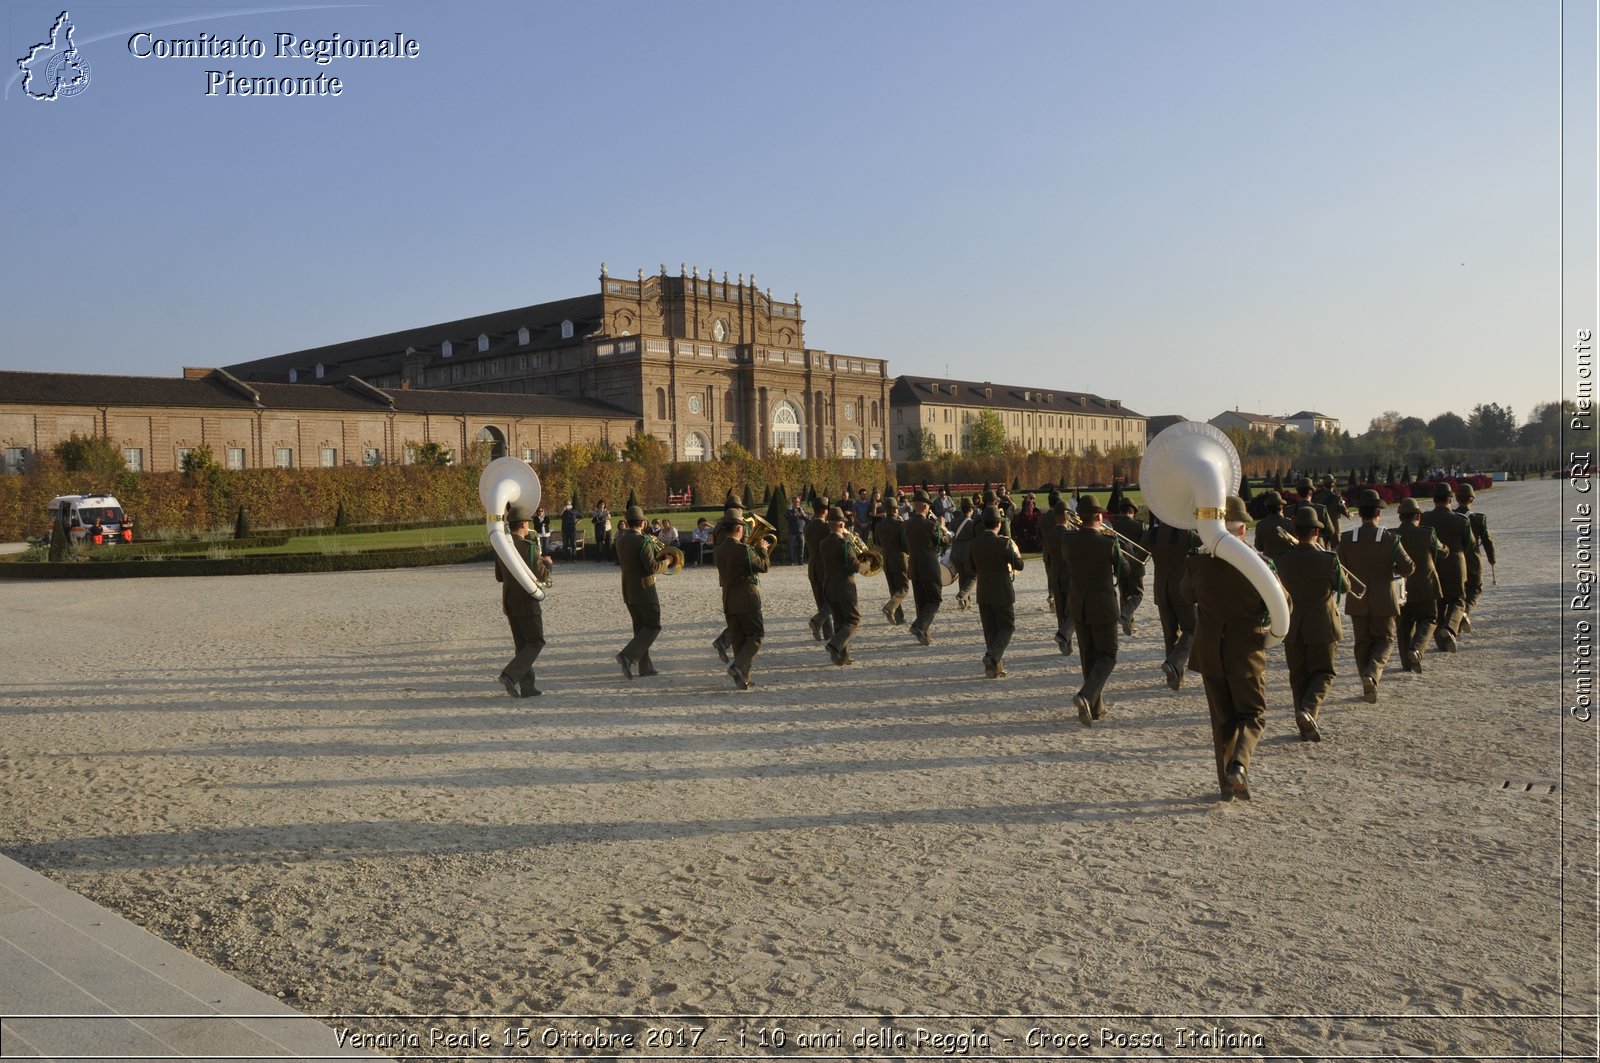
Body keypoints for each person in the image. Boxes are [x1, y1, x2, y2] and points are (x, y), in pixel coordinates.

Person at [1181, 496, 1273, 801]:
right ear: (1243, 529)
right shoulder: (1260, 564)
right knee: (1253, 714)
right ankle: (1240, 767)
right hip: (1246, 650)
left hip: (1209, 652)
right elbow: (1281, 605)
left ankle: (1226, 787)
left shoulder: (1196, 562)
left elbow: (1186, 594)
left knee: (1222, 721)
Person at [1337, 488, 1415, 703]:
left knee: (1362, 643)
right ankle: (1372, 673)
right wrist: (1392, 570)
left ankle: (1366, 680)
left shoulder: (1346, 539)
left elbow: (1338, 571)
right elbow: (1408, 568)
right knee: (1386, 640)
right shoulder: (1390, 539)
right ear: (1378, 513)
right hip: (1384, 599)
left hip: (1357, 599)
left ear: (1360, 514)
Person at [1273, 506, 1343, 740]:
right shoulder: (1328, 558)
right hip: (1322, 625)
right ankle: (1308, 710)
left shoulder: (1282, 560)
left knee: (1298, 676)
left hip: (1292, 626)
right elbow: (1345, 587)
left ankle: (1303, 722)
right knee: (1324, 672)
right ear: (1316, 531)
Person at [1060, 495, 1122, 727]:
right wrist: (1117, 543)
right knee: (1108, 655)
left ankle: (1095, 708)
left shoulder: (1068, 541)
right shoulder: (1108, 542)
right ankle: (1086, 696)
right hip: (1103, 606)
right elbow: (1123, 570)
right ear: (1099, 516)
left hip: (1079, 605)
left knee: (1089, 656)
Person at [494, 504, 554, 698]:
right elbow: (543, 576)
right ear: (522, 525)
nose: (528, 527)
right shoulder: (529, 548)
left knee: (522, 645)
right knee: (536, 641)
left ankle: (527, 687)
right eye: (527, 524)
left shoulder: (502, 547)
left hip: (510, 601)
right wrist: (548, 564)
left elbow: (499, 577)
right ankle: (510, 675)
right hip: (527, 602)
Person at [614, 504, 671, 680]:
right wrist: (667, 561)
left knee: (640, 629)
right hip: (645, 589)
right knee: (653, 625)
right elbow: (653, 567)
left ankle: (645, 667)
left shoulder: (621, 539)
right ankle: (628, 655)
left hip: (628, 589)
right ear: (643, 523)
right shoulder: (643, 541)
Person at [714, 514, 769, 689]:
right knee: (756, 634)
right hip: (746, 596)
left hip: (729, 598)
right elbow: (764, 566)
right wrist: (763, 549)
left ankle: (742, 676)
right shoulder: (744, 550)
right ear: (739, 529)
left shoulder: (719, 550)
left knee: (738, 638)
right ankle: (738, 667)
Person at [1394, 496, 1449, 674]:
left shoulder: (1391, 534)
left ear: (1400, 517)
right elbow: (1442, 552)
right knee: (1429, 619)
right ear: (1418, 517)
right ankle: (1416, 649)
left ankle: (1406, 663)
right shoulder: (1427, 533)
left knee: (1403, 625)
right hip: (1426, 586)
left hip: (1401, 589)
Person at [1418, 483, 1475, 652]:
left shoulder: (1425, 518)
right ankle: (1449, 628)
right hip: (1456, 563)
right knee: (1457, 600)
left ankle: (1442, 644)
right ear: (1450, 499)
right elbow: (1470, 544)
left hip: (1433, 563)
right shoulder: (1461, 520)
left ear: (1434, 499)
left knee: (1439, 603)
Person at [1143, 516, 1198, 690]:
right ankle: (1174, 663)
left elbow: (1137, 558)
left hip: (1161, 590)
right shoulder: (1186, 534)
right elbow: (1208, 547)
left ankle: (1174, 678)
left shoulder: (1151, 534)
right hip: (1182, 591)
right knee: (1194, 628)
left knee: (1170, 635)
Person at [969, 506, 1024, 678]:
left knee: (991, 630)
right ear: (998, 525)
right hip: (1002, 591)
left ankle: (993, 668)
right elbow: (1019, 565)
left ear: (984, 524)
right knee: (1007, 626)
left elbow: (971, 568)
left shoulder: (974, 544)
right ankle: (992, 657)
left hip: (983, 591)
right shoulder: (1004, 543)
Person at [818, 506, 866, 665]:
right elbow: (854, 566)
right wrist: (865, 564)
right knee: (853, 619)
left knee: (839, 621)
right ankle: (834, 645)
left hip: (829, 587)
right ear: (841, 525)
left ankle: (842, 656)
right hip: (845, 587)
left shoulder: (823, 543)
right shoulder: (844, 544)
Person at [904, 489, 950, 646]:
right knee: (935, 599)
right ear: (925, 506)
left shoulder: (907, 524)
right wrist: (941, 526)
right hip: (929, 567)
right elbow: (945, 542)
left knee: (921, 602)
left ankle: (924, 635)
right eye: (929, 506)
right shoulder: (931, 525)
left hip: (914, 567)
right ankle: (918, 626)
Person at [1455, 483, 1495, 631]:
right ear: (1472, 500)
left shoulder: (1452, 517)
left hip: (1454, 560)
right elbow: (1487, 540)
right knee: (1475, 589)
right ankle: (1465, 612)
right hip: (1472, 560)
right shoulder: (1479, 519)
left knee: (1459, 591)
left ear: (1457, 499)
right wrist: (1492, 559)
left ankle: (1456, 616)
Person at [1041, 497, 1074, 657]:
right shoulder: (1071, 535)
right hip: (1070, 574)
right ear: (1067, 516)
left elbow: (1046, 559)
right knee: (1073, 607)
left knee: (1061, 609)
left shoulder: (1048, 535)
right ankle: (1064, 634)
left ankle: (1067, 645)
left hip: (1055, 574)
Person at [1110, 499, 1146, 636]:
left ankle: (1128, 626)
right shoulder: (1139, 526)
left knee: (1124, 595)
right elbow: (1144, 548)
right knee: (1137, 595)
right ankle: (1125, 616)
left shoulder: (1113, 526)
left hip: (1120, 565)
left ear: (1120, 511)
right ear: (1132, 512)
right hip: (1136, 566)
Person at [873, 496, 910, 625]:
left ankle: (899, 617)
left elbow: (877, 544)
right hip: (899, 559)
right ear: (895, 509)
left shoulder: (878, 526)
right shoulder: (900, 524)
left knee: (893, 589)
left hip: (886, 560)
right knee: (904, 588)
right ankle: (889, 608)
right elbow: (905, 545)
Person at [804, 497, 835, 642]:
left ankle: (828, 635)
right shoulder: (826, 529)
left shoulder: (807, 527)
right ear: (824, 510)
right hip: (826, 569)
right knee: (833, 599)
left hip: (813, 569)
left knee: (821, 603)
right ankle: (817, 621)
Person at [1252, 490, 1296, 560]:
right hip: (1287, 562)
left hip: (1270, 563)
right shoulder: (1289, 523)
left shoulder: (1260, 525)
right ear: (1281, 508)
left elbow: (1259, 547)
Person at [1314, 475, 1349, 543]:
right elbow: (1345, 512)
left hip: (1322, 529)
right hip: (1334, 529)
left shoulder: (1317, 498)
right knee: (1335, 549)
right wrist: (1350, 515)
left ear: (1324, 485)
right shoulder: (1337, 498)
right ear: (1333, 485)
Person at [785, 496, 808, 565]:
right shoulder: (789, 511)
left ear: (799, 502)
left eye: (797, 502)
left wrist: (803, 514)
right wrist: (795, 515)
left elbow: (808, 519)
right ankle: (792, 562)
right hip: (792, 532)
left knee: (801, 548)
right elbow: (787, 518)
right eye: (794, 502)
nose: (796, 503)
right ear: (792, 502)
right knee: (792, 547)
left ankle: (800, 561)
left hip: (801, 532)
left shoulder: (802, 510)